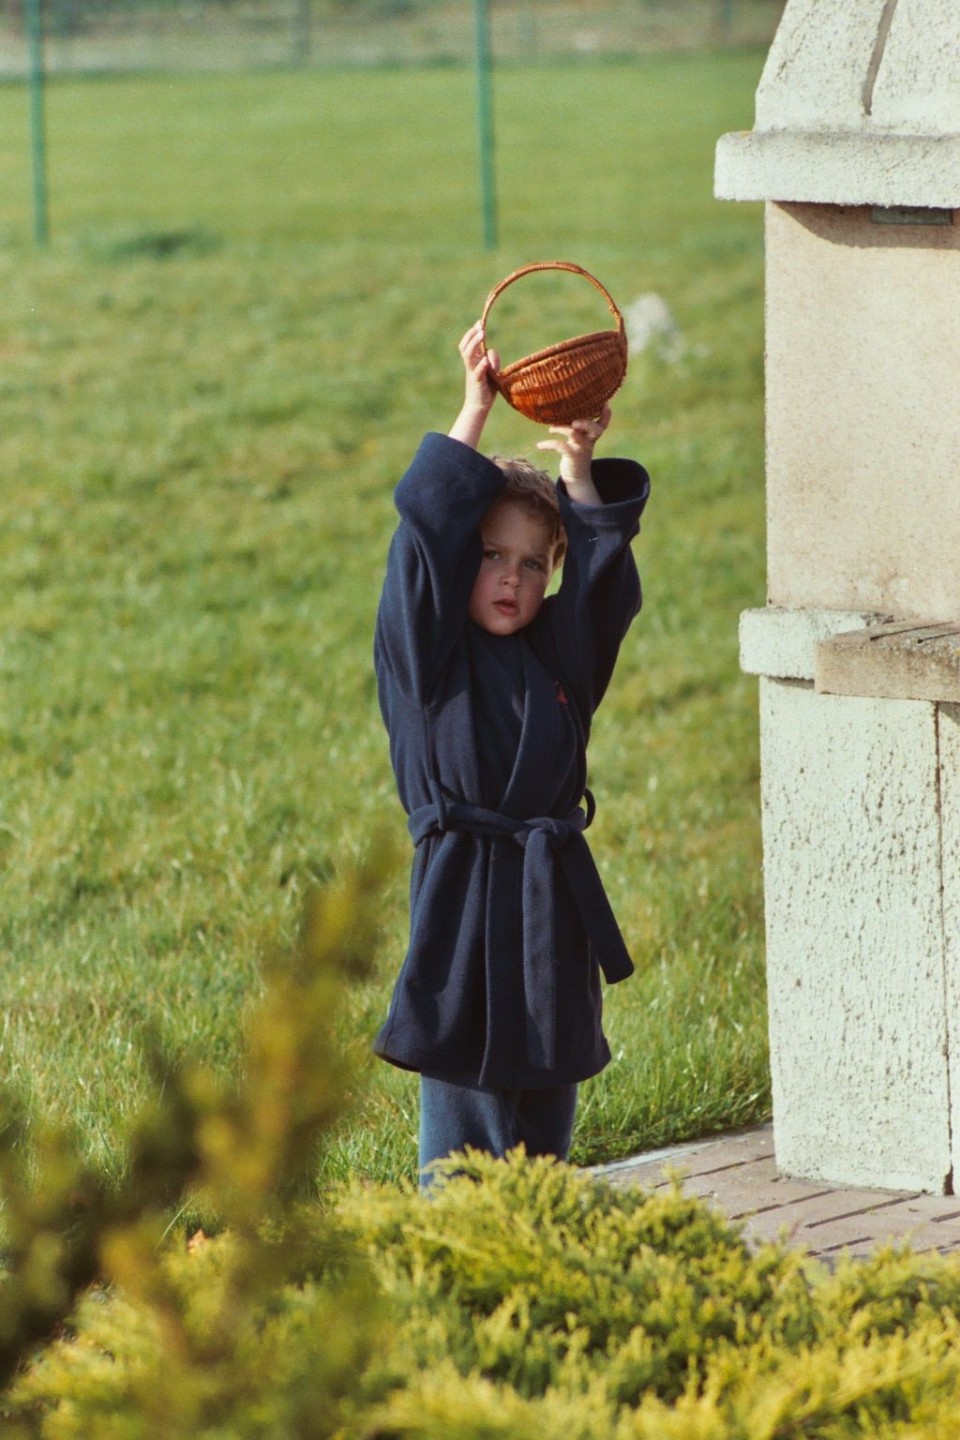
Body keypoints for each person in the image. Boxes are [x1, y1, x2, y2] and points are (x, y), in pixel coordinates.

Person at [373, 320, 651, 1186]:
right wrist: (475, 410)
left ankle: (539, 1243)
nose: (510, 578)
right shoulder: (427, 653)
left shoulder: (560, 656)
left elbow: (601, 596)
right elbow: (423, 539)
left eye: (534, 564)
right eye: (491, 555)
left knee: (543, 1129)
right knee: (465, 1144)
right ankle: (457, 1255)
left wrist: (578, 469)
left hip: (550, 906)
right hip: (463, 905)